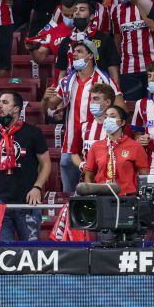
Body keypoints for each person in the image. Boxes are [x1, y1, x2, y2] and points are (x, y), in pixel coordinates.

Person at [42, 38, 122, 194]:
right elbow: (50, 107)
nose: (75, 55)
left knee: (98, 179)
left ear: (91, 55)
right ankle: (70, 207)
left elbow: (120, 107)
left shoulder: (105, 80)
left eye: (79, 52)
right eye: (73, 53)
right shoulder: (67, 81)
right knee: (68, 178)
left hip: (98, 137)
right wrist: (45, 98)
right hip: (72, 139)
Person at [0, 91, 50, 241]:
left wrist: (37, 188)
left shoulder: (33, 133)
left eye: (4, 103)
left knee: (32, 253)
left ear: (16, 109)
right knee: (5, 253)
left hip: (27, 203)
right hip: (0, 202)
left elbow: (46, 164)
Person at [83, 104, 149, 195]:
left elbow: (143, 174)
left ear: (122, 122)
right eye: (106, 117)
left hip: (127, 198)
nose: (108, 119)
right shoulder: (96, 147)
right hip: (101, 197)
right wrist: (90, 195)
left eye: (112, 116)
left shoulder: (135, 146)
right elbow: (89, 174)